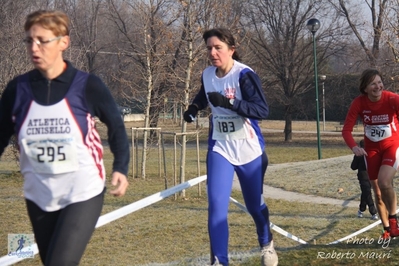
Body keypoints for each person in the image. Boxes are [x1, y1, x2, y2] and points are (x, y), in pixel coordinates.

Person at [0, 10, 130, 265]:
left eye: (42, 40)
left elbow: (116, 126)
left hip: (82, 191)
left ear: (63, 42)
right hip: (39, 194)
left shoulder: (87, 86)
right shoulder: (18, 89)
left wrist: (121, 168)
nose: (34, 48)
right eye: (29, 40)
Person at [183, 28, 277, 266]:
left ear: (231, 50)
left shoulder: (244, 75)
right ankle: (219, 261)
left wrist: (231, 103)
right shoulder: (207, 74)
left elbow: (262, 110)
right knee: (216, 207)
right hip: (220, 148)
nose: (213, 53)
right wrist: (194, 107)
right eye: (209, 48)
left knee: (254, 206)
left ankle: (266, 243)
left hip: (249, 150)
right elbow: (204, 94)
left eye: (218, 48)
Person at [342, 68, 399, 239]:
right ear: (365, 88)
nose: (378, 86)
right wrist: (354, 147)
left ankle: (394, 219)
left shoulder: (392, 99)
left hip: (392, 145)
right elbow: (346, 130)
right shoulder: (359, 103)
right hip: (371, 150)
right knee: (378, 192)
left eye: (379, 82)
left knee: (384, 181)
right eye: (373, 83)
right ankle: (387, 230)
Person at [350, 140, 378, 220]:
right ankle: (368, 211)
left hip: (363, 177)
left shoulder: (358, 155)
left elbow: (353, 167)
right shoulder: (372, 153)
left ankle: (366, 211)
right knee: (366, 192)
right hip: (371, 176)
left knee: (366, 193)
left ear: (360, 146)